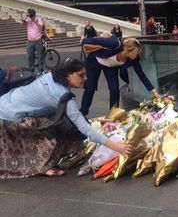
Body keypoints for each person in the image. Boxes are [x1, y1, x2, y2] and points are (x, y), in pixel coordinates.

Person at [0, 58, 133, 178]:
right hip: (7, 118)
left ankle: (43, 163)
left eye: (85, 74)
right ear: (68, 76)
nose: (85, 78)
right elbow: (84, 128)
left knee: (59, 122)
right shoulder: (65, 97)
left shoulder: (49, 76)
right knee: (55, 127)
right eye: (81, 75)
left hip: (4, 104)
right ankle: (41, 167)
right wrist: (117, 147)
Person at [79, 36, 158, 116]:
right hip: (95, 60)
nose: (137, 54)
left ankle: (113, 114)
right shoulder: (115, 44)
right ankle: (83, 112)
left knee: (114, 90)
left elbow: (141, 74)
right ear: (129, 50)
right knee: (90, 87)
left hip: (110, 67)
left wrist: (152, 89)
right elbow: (98, 40)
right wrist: (84, 40)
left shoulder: (133, 59)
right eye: (136, 52)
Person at [22, 8, 45, 73]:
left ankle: (41, 69)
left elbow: (41, 27)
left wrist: (34, 21)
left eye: (30, 14)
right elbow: (22, 24)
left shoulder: (38, 19)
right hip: (30, 41)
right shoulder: (28, 19)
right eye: (29, 14)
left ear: (34, 14)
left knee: (40, 56)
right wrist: (24, 19)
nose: (30, 15)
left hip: (38, 41)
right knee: (30, 56)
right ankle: (31, 70)